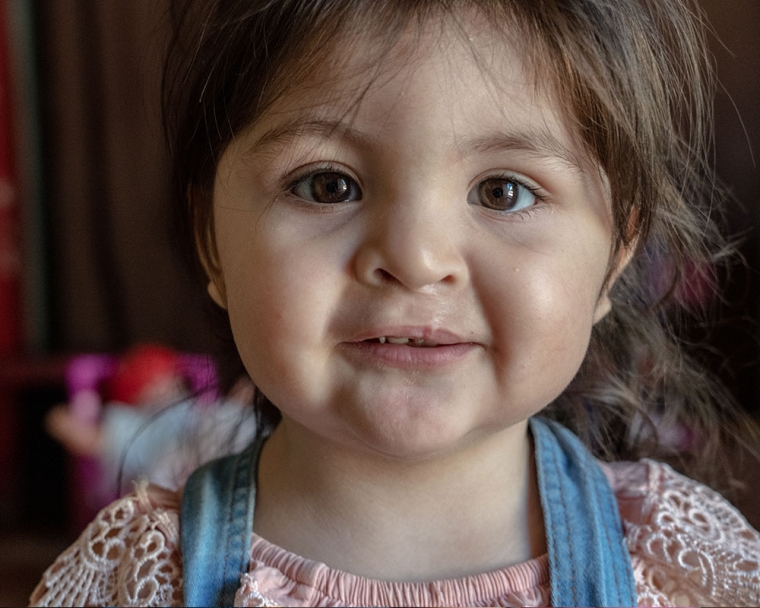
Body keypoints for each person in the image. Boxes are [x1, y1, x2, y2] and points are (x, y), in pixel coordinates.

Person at [30, 0, 760, 606]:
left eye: (503, 191)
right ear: (212, 242)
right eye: (327, 185)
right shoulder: (139, 576)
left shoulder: (680, 564)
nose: (415, 259)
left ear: (615, 260)